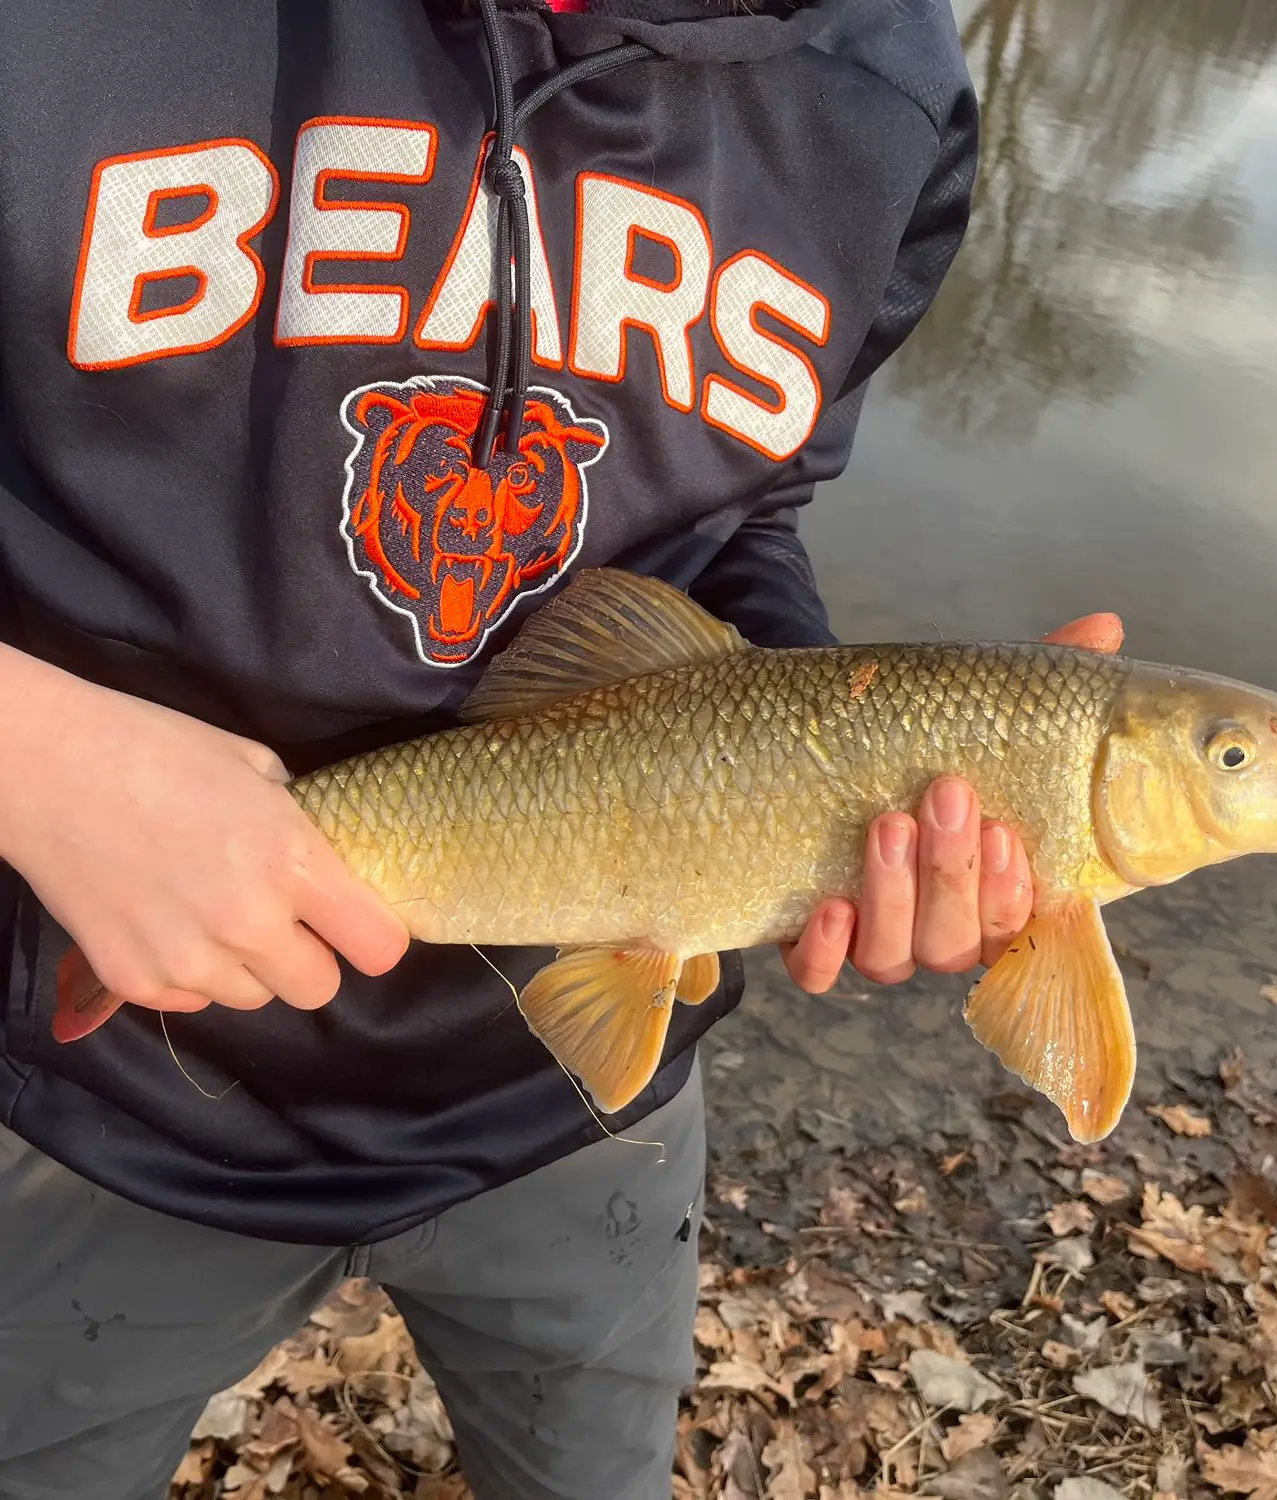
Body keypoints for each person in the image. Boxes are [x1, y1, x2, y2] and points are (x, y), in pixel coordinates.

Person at [0, 1, 1118, 1496]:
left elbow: (747, 513)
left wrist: (820, 771)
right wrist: (33, 753)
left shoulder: (886, 96)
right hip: (112, 1083)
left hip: (582, 1107)